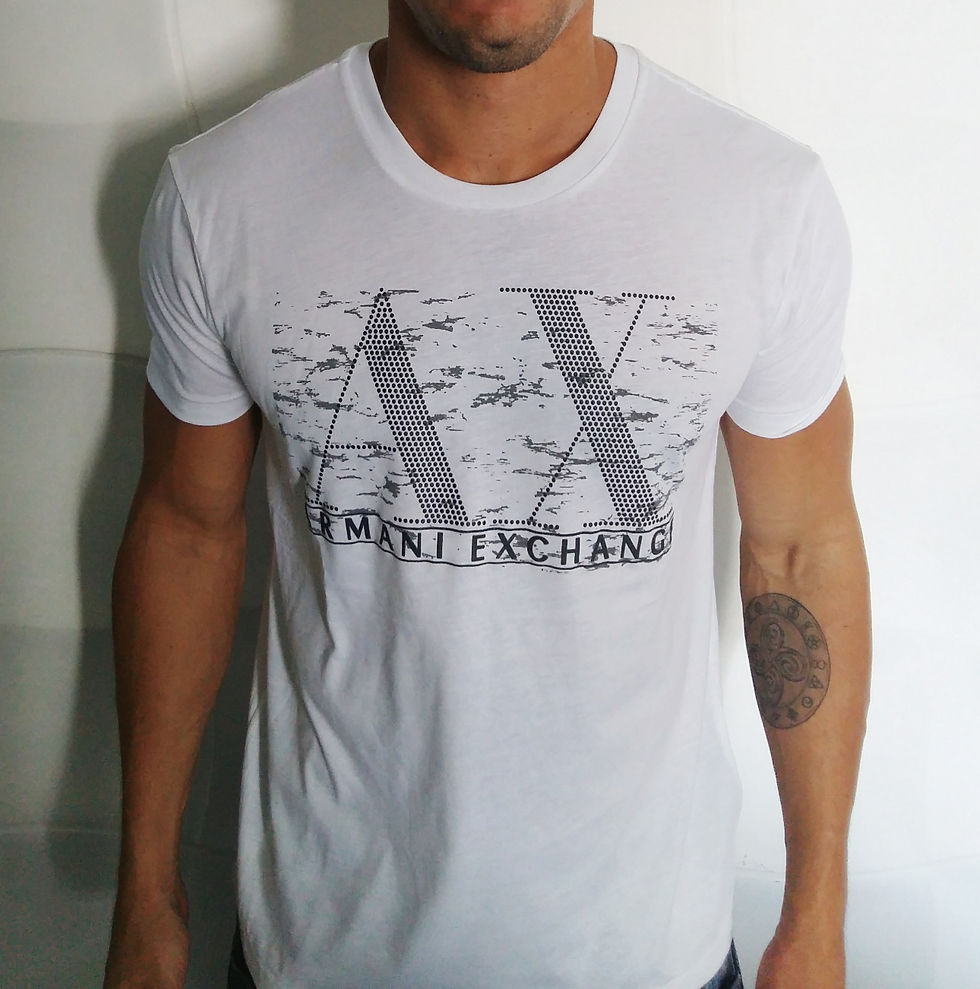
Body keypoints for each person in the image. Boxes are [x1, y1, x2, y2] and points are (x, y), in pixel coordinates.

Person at [103, 2, 871, 987]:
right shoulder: (224, 193)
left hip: (647, 953)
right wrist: (147, 892)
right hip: (324, 948)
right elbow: (185, 531)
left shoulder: (759, 197)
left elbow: (800, 545)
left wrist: (816, 915)